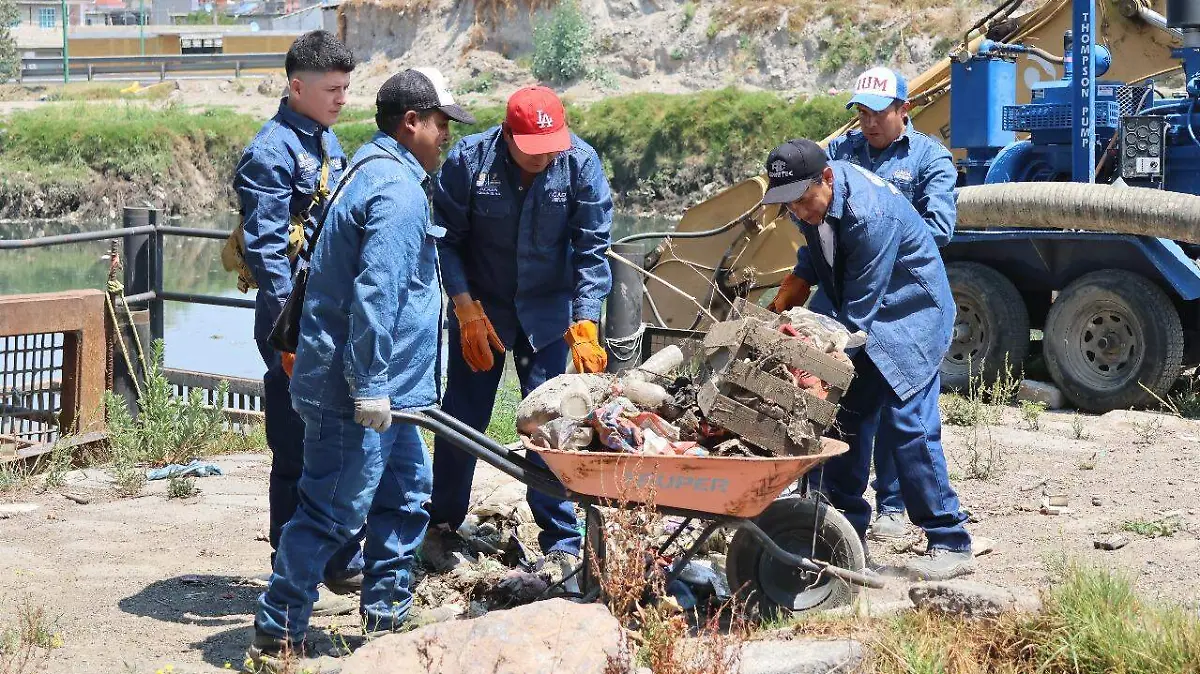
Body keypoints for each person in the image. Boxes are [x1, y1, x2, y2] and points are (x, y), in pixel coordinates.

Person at [247, 67, 477, 667]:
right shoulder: (395, 191)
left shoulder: (379, 171)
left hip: (393, 390)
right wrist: (371, 386)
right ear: (412, 123)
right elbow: (376, 297)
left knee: (405, 499)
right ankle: (279, 627)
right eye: (441, 123)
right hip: (361, 392)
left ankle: (388, 614)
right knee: (333, 508)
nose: (447, 135)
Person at [764, 138, 974, 581]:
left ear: (825, 179)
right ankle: (843, 532)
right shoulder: (815, 199)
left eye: (802, 201)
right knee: (845, 421)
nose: (799, 212)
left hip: (911, 313)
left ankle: (949, 539)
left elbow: (858, 312)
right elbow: (819, 242)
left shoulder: (870, 214)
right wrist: (800, 277)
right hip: (862, 313)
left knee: (908, 426)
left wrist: (817, 363)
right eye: (789, 206)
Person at [426, 86, 613, 579]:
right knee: (462, 418)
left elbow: (592, 248)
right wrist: (463, 305)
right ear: (508, 135)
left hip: (548, 317)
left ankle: (561, 538)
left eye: (552, 147)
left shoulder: (580, 164)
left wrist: (586, 319)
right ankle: (441, 526)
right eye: (533, 150)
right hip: (481, 314)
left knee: (554, 425)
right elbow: (443, 238)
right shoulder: (470, 162)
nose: (544, 157)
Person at [231, 30, 363, 614]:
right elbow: (265, 247)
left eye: (346, 88)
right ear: (297, 87)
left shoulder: (324, 138)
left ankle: (329, 555)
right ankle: (292, 560)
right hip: (291, 318)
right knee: (294, 439)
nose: (341, 99)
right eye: (332, 89)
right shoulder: (272, 149)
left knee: (330, 434)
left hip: (324, 312)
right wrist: (294, 328)